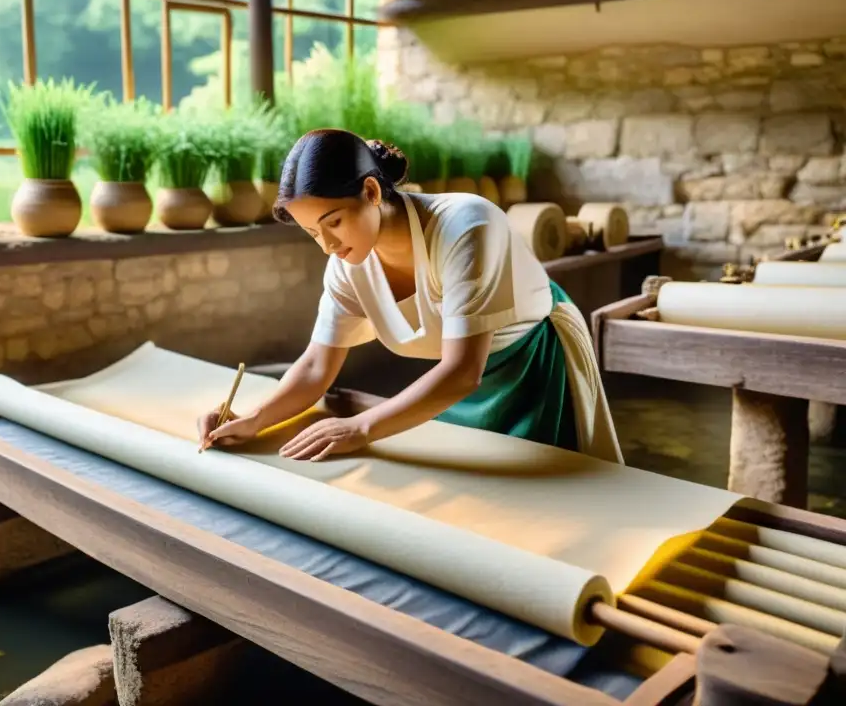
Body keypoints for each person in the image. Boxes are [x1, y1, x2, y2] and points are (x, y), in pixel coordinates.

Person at [196, 128, 622, 464]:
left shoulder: (467, 227)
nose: (327, 244)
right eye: (312, 233)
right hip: (455, 382)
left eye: (335, 222)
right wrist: (253, 419)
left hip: (530, 366)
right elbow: (316, 365)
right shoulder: (346, 263)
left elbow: (461, 372)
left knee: (543, 509)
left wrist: (360, 428)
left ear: (371, 192)